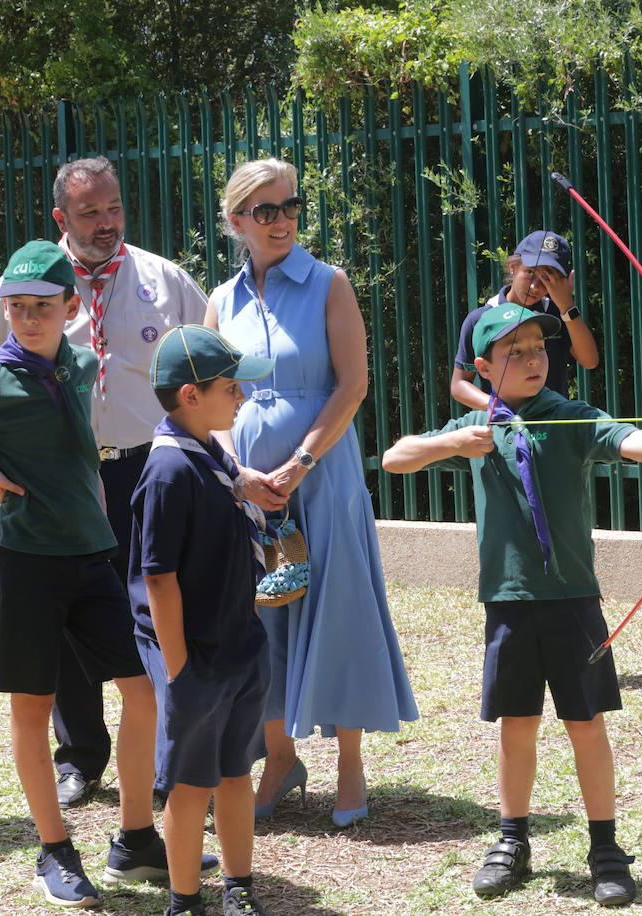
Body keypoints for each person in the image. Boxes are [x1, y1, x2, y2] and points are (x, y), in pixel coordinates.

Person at [0, 241, 216, 907]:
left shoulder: (76, 362)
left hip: (91, 553)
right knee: (33, 709)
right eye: (16, 309)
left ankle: (134, 842)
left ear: (70, 308)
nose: (28, 320)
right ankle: (55, 848)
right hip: (27, 563)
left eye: (42, 307)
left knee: (141, 693)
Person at [381, 304, 642, 906]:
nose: (534, 359)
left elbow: (627, 438)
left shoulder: (571, 417)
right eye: (517, 351)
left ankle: (606, 849)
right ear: (484, 368)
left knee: (585, 726)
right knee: (517, 727)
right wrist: (456, 441)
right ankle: (512, 842)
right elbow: (394, 456)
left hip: (571, 601)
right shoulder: (478, 427)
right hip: (509, 601)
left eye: (539, 347)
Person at [0, 155, 210, 809]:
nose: (106, 222)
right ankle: (81, 758)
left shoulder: (162, 278)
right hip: (64, 477)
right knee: (64, 617)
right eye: (90, 211)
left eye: (114, 207)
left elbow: (207, 357)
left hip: (145, 469)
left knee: (154, 611)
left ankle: (162, 757)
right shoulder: (32, 282)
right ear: (62, 218)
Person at [205, 157, 417, 828]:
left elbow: (351, 386)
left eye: (291, 206)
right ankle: (279, 758)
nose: (283, 220)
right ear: (238, 221)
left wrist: (298, 463)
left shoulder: (330, 284)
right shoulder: (221, 300)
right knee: (261, 615)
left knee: (338, 608)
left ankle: (350, 762)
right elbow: (215, 398)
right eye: (266, 211)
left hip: (322, 478)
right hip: (250, 489)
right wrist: (239, 474)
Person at [131, 325, 276, 916]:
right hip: (194, 655)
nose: (242, 396)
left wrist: (246, 487)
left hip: (238, 642)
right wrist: (178, 668)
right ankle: (184, 900)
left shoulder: (212, 454)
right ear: (191, 396)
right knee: (191, 784)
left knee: (234, 771)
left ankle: (238, 890)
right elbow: (158, 576)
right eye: (231, 386)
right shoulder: (167, 471)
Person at [449, 230, 599, 411]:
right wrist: (496, 407)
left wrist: (567, 306)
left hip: (554, 425)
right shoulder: (481, 319)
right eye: (529, 272)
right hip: (506, 429)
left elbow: (590, 361)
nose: (536, 286)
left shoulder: (558, 314)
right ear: (513, 267)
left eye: (547, 278)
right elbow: (459, 385)